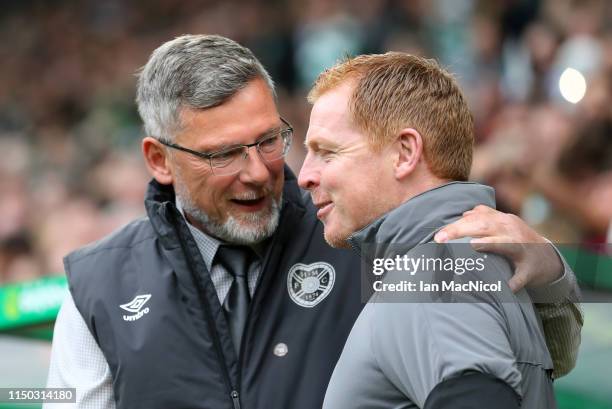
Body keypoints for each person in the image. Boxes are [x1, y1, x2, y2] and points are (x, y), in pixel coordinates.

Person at [45, 35, 580, 409]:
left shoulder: (368, 240)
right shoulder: (95, 288)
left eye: (269, 141)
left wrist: (549, 272)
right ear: (160, 160)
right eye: (224, 154)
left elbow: (543, 360)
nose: (258, 172)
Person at [298, 52, 580, 409]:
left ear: (405, 153)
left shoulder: (434, 270)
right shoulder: (468, 260)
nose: (304, 175)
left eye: (327, 152)